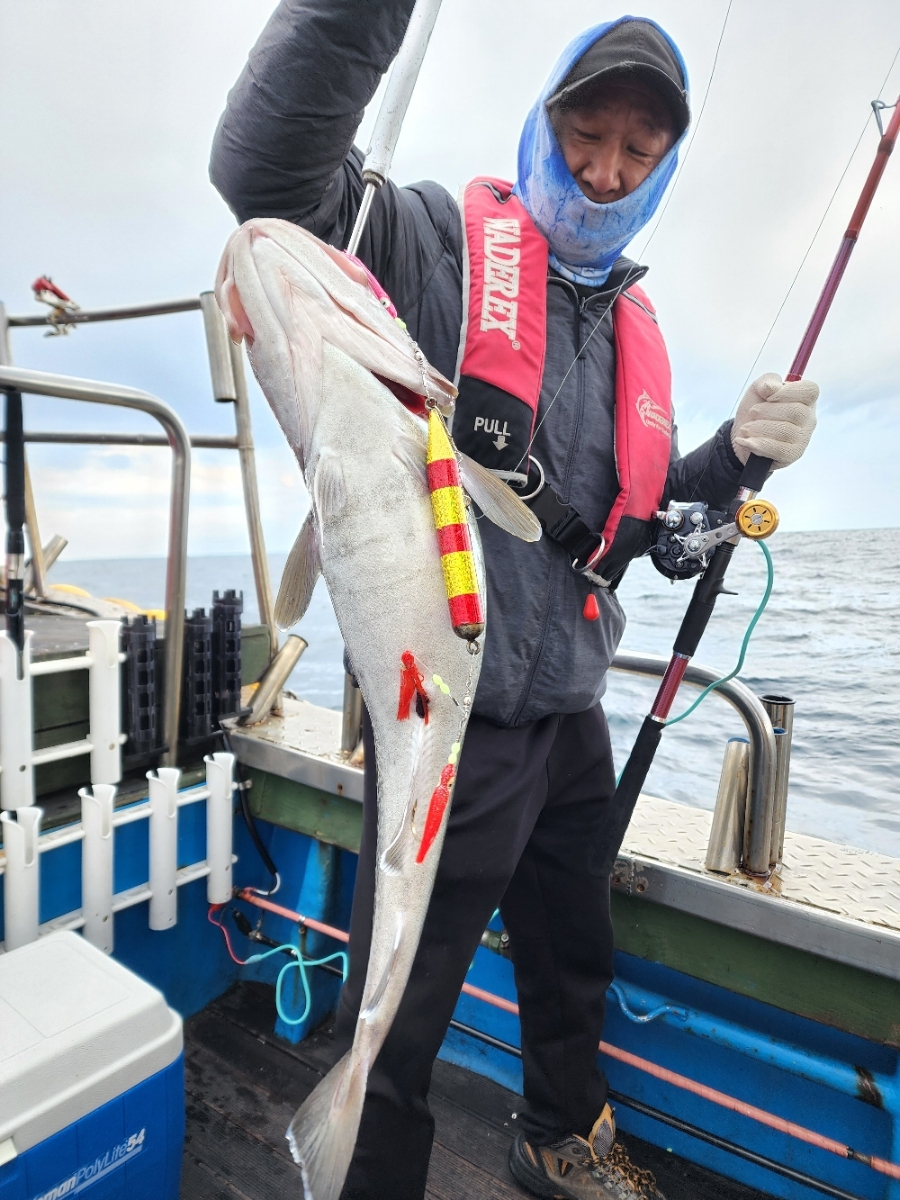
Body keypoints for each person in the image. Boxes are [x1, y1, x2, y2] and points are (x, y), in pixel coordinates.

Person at [211, 6, 818, 1198]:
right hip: (451, 717)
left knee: (573, 954)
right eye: (588, 135)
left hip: (570, 713)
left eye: (638, 152)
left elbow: (637, 533)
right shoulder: (435, 245)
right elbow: (267, 178)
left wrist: (735, 457)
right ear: (544, 125)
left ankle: (559, 1135)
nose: (606, 171)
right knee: (404, 996)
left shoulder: (634, 324)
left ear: (664, 167)